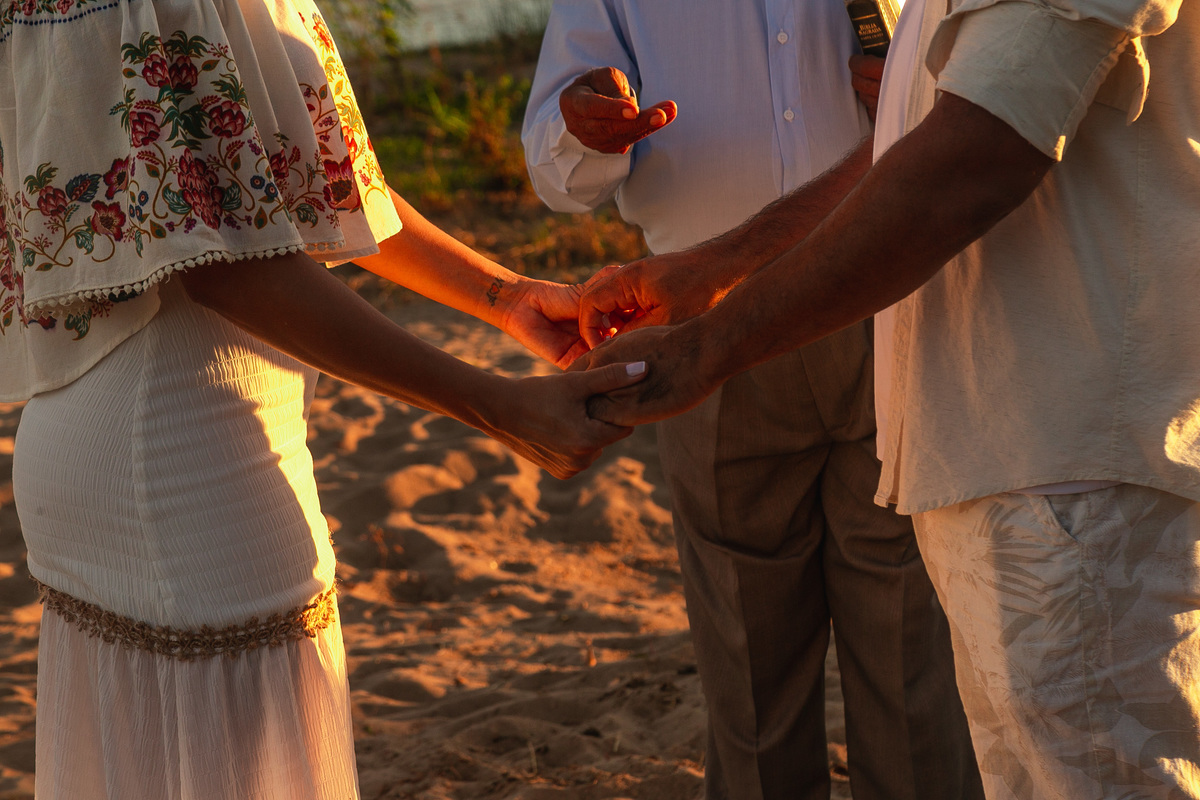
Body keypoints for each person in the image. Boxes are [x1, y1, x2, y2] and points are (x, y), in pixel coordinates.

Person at [0, 1, 648, 797]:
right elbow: (230, 263)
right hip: (184, 464)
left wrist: (504, 295)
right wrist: (495, 406)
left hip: (100, 439)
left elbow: (323, 183)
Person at [574, 0, 1200, 793]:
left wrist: (710, 347)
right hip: (1014, 461)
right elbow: (917, 144)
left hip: (1073, 473)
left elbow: (976, 154)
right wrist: (719, 265)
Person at [522, 5, 980, 799]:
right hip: (705, 335)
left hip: (897, 303)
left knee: (916, 657)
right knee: (748, 665)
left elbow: (985, 85)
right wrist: (582, 128)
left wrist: (929, 88)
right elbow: (556, 172)